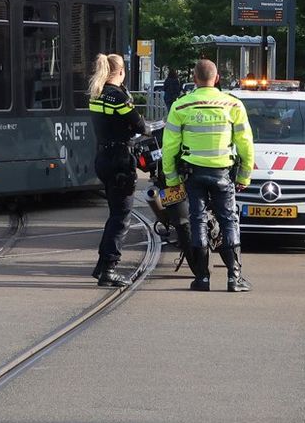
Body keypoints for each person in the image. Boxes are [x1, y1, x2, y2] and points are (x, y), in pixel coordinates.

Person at [162, 59, 254, 293]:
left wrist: (172, 181)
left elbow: (169, 148)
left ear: (194, 79)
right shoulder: (233, 105)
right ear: (217, 78)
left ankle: (202, 278)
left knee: (197, 220)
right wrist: (244, 176)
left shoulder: (181, 106)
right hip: (223, 173)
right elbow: (246, 144)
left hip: (193, 175)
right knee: (229, 220)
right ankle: (234, 278)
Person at [88, 53, 149, 288]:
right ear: (121, 72)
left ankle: (103, 265)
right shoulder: (119, 98)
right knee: (121, 217)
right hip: (120, 160)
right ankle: (109, 268)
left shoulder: (97, 94)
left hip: (103, 157)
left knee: (115, 213)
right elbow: (140, 126)